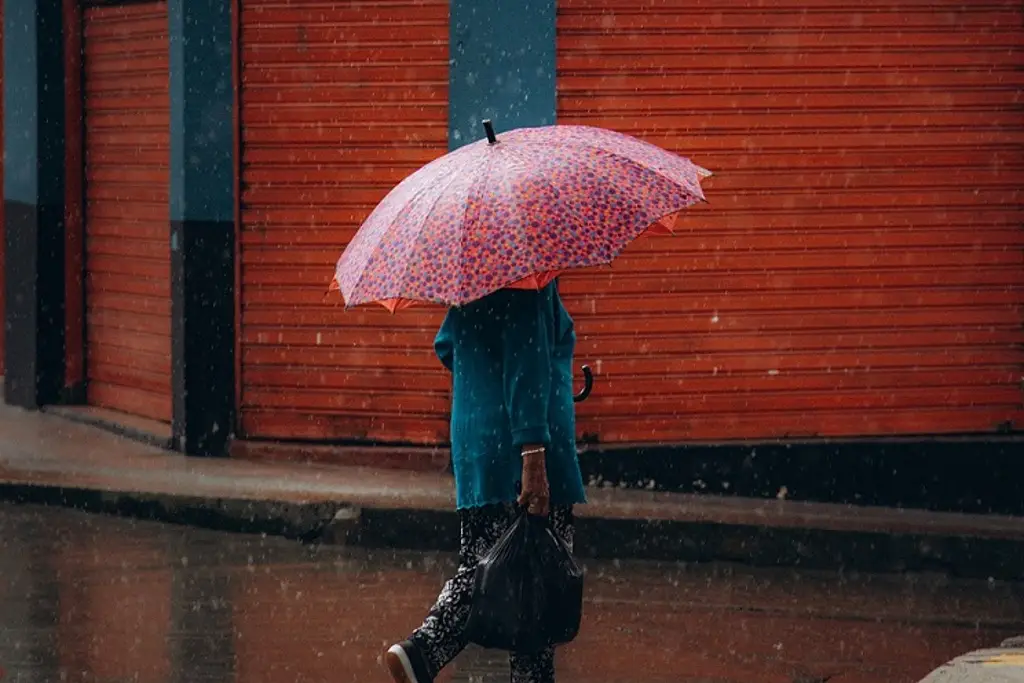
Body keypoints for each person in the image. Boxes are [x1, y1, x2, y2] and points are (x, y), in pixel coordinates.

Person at [385, 281, 588, 683]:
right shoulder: (527, 277)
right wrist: (533, 452)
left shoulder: (476, 281)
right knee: (533, 580)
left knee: (504, 570)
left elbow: (447, 346)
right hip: (522, 449)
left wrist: (488, 372)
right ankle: (425, 648)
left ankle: (424, 651)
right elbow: (527, 357)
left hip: (479, 443)